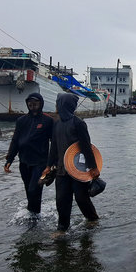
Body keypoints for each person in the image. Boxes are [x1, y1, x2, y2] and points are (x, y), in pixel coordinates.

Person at [44, 93, 100, 237]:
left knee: (81, 198)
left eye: (58, 104)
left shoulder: (79, 123)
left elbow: (86, 147)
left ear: (64, 105)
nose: (56, 106)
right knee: (62, 199)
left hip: (78, 170)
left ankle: (92, 219)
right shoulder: (56, 123)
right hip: (61, 169)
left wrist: (93, 167)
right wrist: (49, 165)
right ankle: (62, 228)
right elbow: (54, 147)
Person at [4, 92, 54, 214]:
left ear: (40, 104)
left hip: (40, 162)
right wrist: (9, 159)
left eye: (35, 104)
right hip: (24, 161)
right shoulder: (21, 120)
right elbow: (15, 140)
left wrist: (51, 164)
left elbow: (54, 143)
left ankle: (35, 214)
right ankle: (33, 214)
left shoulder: (48, 121)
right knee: (28, 190)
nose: (33, 106)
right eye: (30, 104)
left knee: (34, 189)